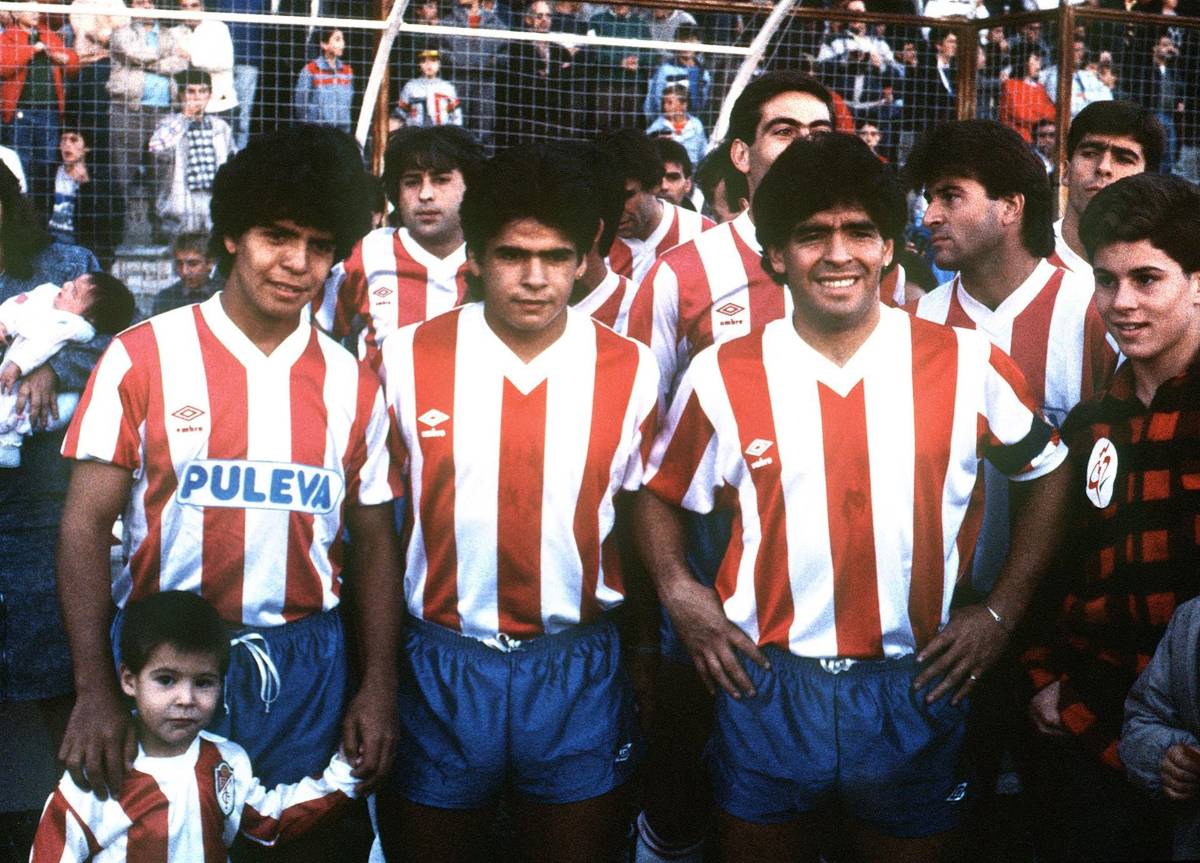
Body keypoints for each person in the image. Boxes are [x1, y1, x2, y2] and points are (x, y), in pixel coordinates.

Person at [637, 132, 1070, 863]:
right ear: (776, 255)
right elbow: (657, 492)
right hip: (767, 682)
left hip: (916, 678)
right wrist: (681, 592)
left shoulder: (967, 361)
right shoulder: (721, 373)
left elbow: (1050, 471)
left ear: (889, 248)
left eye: (859, 231)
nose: (839, 253)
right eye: (812, 235)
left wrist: (1001, 611)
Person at [54, 126, 401, 863]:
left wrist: (377, 683)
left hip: (304, 669)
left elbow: (373, 543)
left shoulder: (354, 385)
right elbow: (84, 525)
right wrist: (92, 687)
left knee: (295, 849)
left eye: (318, 243)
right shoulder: (143, 355)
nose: (296, 262)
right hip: (166, 661)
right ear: (234, 234)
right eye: (278, 235)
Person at [374, 143, 659, 863]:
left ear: (585, 257)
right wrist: (373, 676)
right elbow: (373, 524)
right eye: (512, 255)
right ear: (474, 255)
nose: (535, 278)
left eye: (555, 256)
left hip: (575, 661)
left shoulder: (630, 368)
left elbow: (642, 522)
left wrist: (645, 660)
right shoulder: (405, 357)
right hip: (441, 657)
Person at [625, 72, 834, 863]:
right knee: (682, 785)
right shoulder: (683, 273)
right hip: (711, 585)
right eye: (786, 131)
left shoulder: (873, 261)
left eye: (821, 131)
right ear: (742, 153)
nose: (805, 146)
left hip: (825, 596)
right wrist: (673, 594)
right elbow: (640, 452)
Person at [1022, 171, 1200, 860]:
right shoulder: (1094, 424)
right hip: (1090, 723)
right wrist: (1043, 677)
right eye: (1106, 280)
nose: (1121, 303)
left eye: (1147, 279)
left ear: (1196, 282)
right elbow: (1059, 563)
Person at [29, 591, 361, 861]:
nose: (186, 699)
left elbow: (268, 822)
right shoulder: (104, 770)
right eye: (166, 680)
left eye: (203, 683)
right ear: (129, 680)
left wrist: (346, 773)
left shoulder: (227, 762)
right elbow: (53, 853)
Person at [0, 161, 102, 860]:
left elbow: (115, 344)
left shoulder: (68, 262)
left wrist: (48, 366)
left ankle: (93, 821)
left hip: (40, 503)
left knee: (56, 674)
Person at [313, 124, 482, 368]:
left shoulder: (493, 258)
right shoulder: (368, 254)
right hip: (379, 406)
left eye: (441, 180)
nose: (425, 194)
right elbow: (319, 335)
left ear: (471, 187)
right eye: (412, 182)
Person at [0, 273, 135, 468]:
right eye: (70, 283)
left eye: (75, 291)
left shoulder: (73, 325)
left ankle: (9, 443)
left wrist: (25, 365)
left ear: (90, 318)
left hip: (42, 404)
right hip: (14, 374)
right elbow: (18, 306)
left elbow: (42, 345)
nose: (65, 285)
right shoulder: (47, 296)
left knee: (15, 408)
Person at [1049, 100, 1165, 276]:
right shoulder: (1026, 260)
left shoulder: (1170, 270)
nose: (1103, 167)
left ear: (1149, 182)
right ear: (1065, 171)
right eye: (1089, 154)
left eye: (1124, 159)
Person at [604, 129, 713, 286]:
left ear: (654, 185)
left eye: (627, 196)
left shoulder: (703, 234)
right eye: (608, 197)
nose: (615, 209)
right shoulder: (594, 242)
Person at [107, 0, 190, 195]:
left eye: (150, 2)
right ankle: (122, 221)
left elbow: (182, 63)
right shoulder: (121, 33)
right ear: (131, 7)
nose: (146, 7)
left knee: (163, 171)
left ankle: (160, 221)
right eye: (140, 2)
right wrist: (164, 57)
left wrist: (155, 64)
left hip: (163, 112)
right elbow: (133, 53)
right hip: (129, 110)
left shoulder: (167, 34)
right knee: (124, 171)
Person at [147, 70, 234, 237]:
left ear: (209, 95)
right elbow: (157, 149)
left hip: (212, 197)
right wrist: (185, 117)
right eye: (191, 91)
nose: (196, 97)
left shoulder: (220, 126)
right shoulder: (169, 124)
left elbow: (232, 161)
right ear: (181, 95)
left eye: (202, 92)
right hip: (182, 200)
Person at [0, 9, 79, 183]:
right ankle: (21, 207)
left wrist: (63, 58)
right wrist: (32, 50)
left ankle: (43, 208)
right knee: (20, 163)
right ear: (16, 13)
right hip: (20, 112)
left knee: (47, 162)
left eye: (37, 11)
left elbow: (73, 63)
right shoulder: (7, 37)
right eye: (30, 11)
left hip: (48, 111)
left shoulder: (48, 35)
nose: (36, 14)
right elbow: (3, 66)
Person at [39, 127, 125, 270]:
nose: (67, 145)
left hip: (84, 245)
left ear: (86, 148)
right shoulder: (48, 174)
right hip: (52, 244)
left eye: (73, 140)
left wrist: (86, 184)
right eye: (63, 140)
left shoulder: (100, 177)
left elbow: (110, 220)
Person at [171, 0, 239, 116]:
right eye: (184, 6)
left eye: (194, 6)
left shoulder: (218, 28)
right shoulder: (174, 33)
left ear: (202, 7)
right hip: (188, 106)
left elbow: (225, 62)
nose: (189, 10)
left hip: (219, 104)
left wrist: (191, 58)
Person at [642, 24, 710, 125]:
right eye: (682, 41)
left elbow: (704, 104)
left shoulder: (704, 74)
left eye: (691, 41)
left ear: (699, 43)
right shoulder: (665, 71)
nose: (686, 46)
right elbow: (653, 103)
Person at [294, 27, 354, 133]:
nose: (342, 44)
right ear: (324, 44)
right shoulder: (310, 69)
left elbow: (349, 101)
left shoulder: (347, 71)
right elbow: (301, 103)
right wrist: (310, 125)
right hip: (318, 132)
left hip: (342, 131)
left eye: (343, 40)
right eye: (337, 39)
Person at [151, 231, 223, 315]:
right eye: (179, 264)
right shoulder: (165, 299)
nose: (184, 271)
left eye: (193, 264)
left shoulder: (224, 295)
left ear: (210, 263)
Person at [998, 45, 1055, 145]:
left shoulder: (1040, 87)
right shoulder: (1009, 85)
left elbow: (1053, 113)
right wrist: (1041, 111)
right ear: (1024, 61)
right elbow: (1023, 115)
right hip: (1018, 141)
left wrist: (1033, 110)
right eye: (1036, 59)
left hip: (1040, 141)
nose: (1039, 65)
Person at [646, 82, 707, 167]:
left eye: (670, 103)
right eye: (664, 103)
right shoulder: (658, 126)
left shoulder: (696, 125)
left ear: (683, 104)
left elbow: (703, 152)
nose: (665, 106)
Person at [396, 49, 463, 127]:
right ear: (419, 65)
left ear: (439, 64)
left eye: (433, 61)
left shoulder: (447, 88)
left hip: (440, 133)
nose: (429, 65)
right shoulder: (410, 86)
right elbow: (400, 114)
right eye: (424, 61)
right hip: (415, 133)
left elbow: (456, 117)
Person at [651, 135, 695, 208]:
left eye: (673, 178)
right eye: (655, 178)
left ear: (688, 184)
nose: (663, 186)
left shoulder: (699, 219)